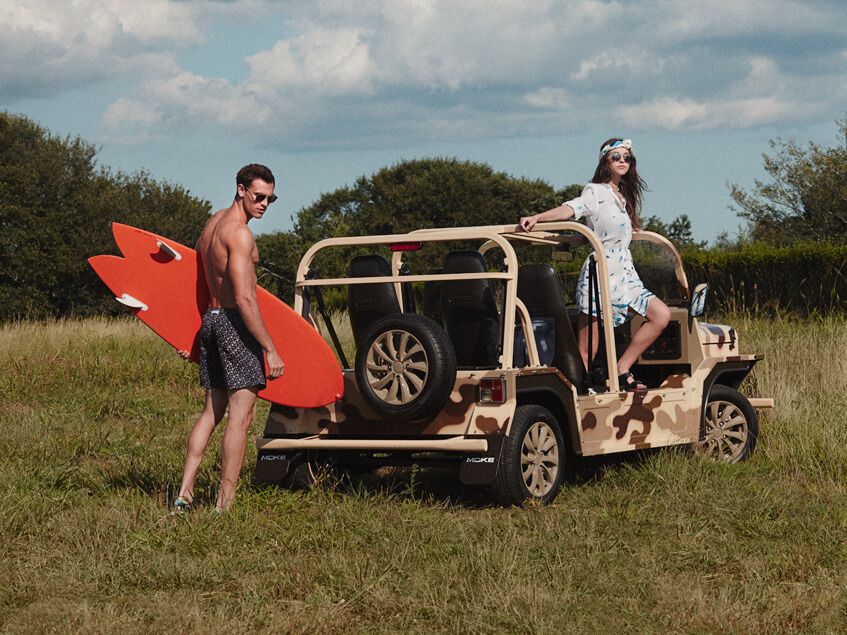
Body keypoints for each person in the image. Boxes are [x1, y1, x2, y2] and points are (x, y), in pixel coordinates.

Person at [174, 164, 285, 513]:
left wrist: (196, 331)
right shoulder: (239, 234)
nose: (265, 203)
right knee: (241, 417)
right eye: (259, 196)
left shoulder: (210, 226)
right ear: (241, 190)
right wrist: (270, 348)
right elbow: (244, 299)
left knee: (211, 411)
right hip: (235, 323)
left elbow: (199, 284)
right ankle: (224, 505)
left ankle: (184, 494)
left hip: (211, 319)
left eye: (271, 198)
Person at [519, 138, 670, 392]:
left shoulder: (623, 196)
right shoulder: (595, 191)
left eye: (627, 157)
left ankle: (622, 369)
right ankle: (577, 393)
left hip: (625, 274)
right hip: (600, 273)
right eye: (616, 157)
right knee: (589, 346)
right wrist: (538, 217)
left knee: (661, 315)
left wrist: (630, 230)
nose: (622, 161)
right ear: (605, 161)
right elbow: (572, 208)